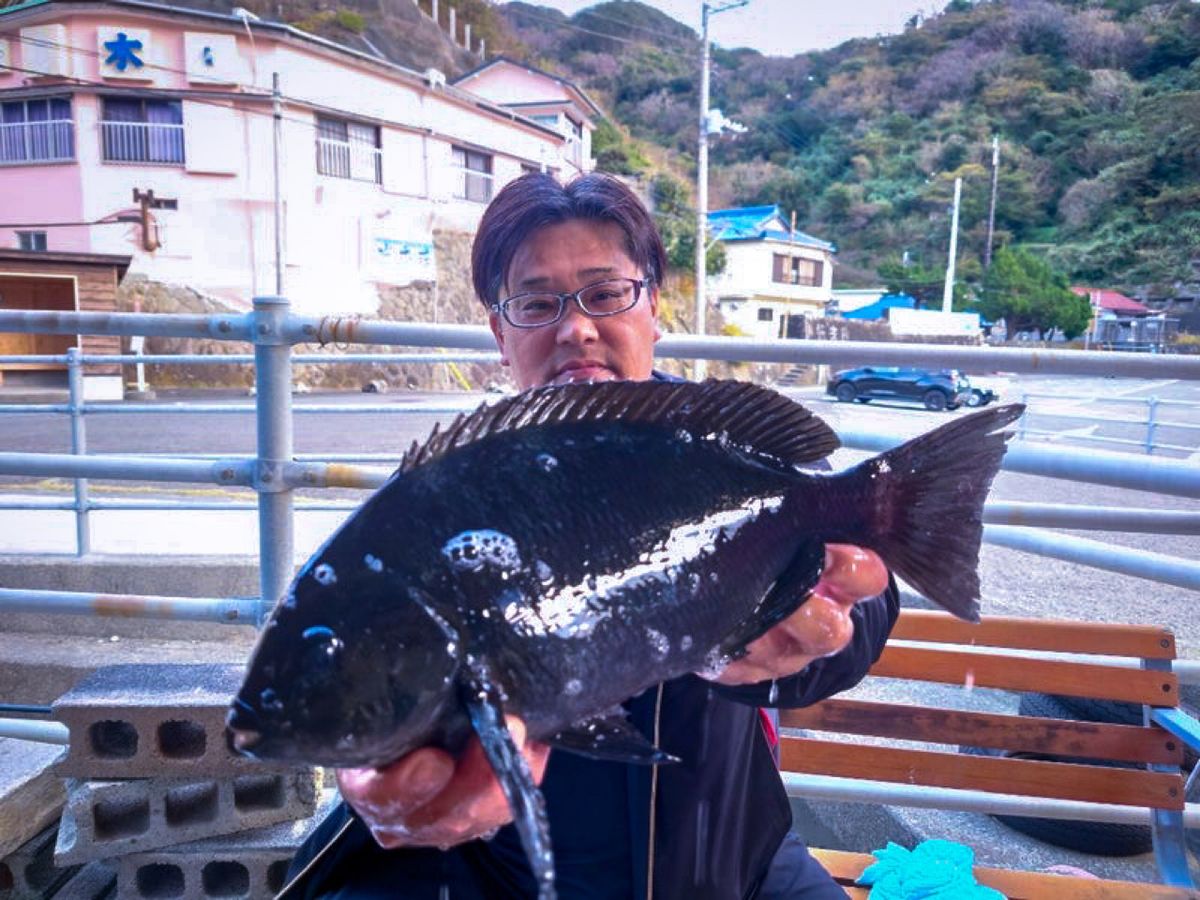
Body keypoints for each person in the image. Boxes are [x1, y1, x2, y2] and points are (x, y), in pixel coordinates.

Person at [284, 172, 899, 899]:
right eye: (537, 303)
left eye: (605, 295)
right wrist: (376, 772)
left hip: (736, 870)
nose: (575, 328)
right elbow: (360, 650)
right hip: (499, 877)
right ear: (499, 334)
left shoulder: (739, 452)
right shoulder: (443, 496)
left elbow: (865, 603)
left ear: (653, 309)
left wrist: (806, 640)